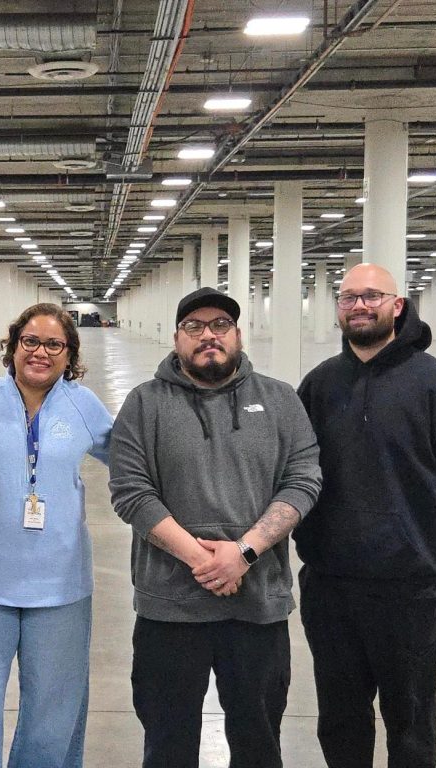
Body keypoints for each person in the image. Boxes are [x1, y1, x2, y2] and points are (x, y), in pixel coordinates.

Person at [295, 263, 436, 768]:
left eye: (372, 296)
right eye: (348, 298)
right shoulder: (320, 384)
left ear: (397, 305)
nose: (359, 306)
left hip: (408, 589)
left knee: (410, 722)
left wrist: (425, 532)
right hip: (330, 585)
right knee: (340, 717)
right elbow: (295, 471)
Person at [109, 286, 322, 768]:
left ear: (238, 335)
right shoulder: (144, 403)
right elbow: (130, 491)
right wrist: (205, 561)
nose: (209, 335)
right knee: (167, 746)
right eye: (194, 326)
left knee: (258, 744)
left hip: (257, 605)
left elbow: (303, 479)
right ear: (177, 338)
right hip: (169, 609)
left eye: (221, 325)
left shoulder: (280, 399)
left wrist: (244, 553)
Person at [0, 303, 113, 768]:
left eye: (54, 344)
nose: (41, 352)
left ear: (69, 353)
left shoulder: (84, 406)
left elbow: (133, 462)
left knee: (52, 712)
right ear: (14, 345)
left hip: (60, 587)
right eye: (31, 341)